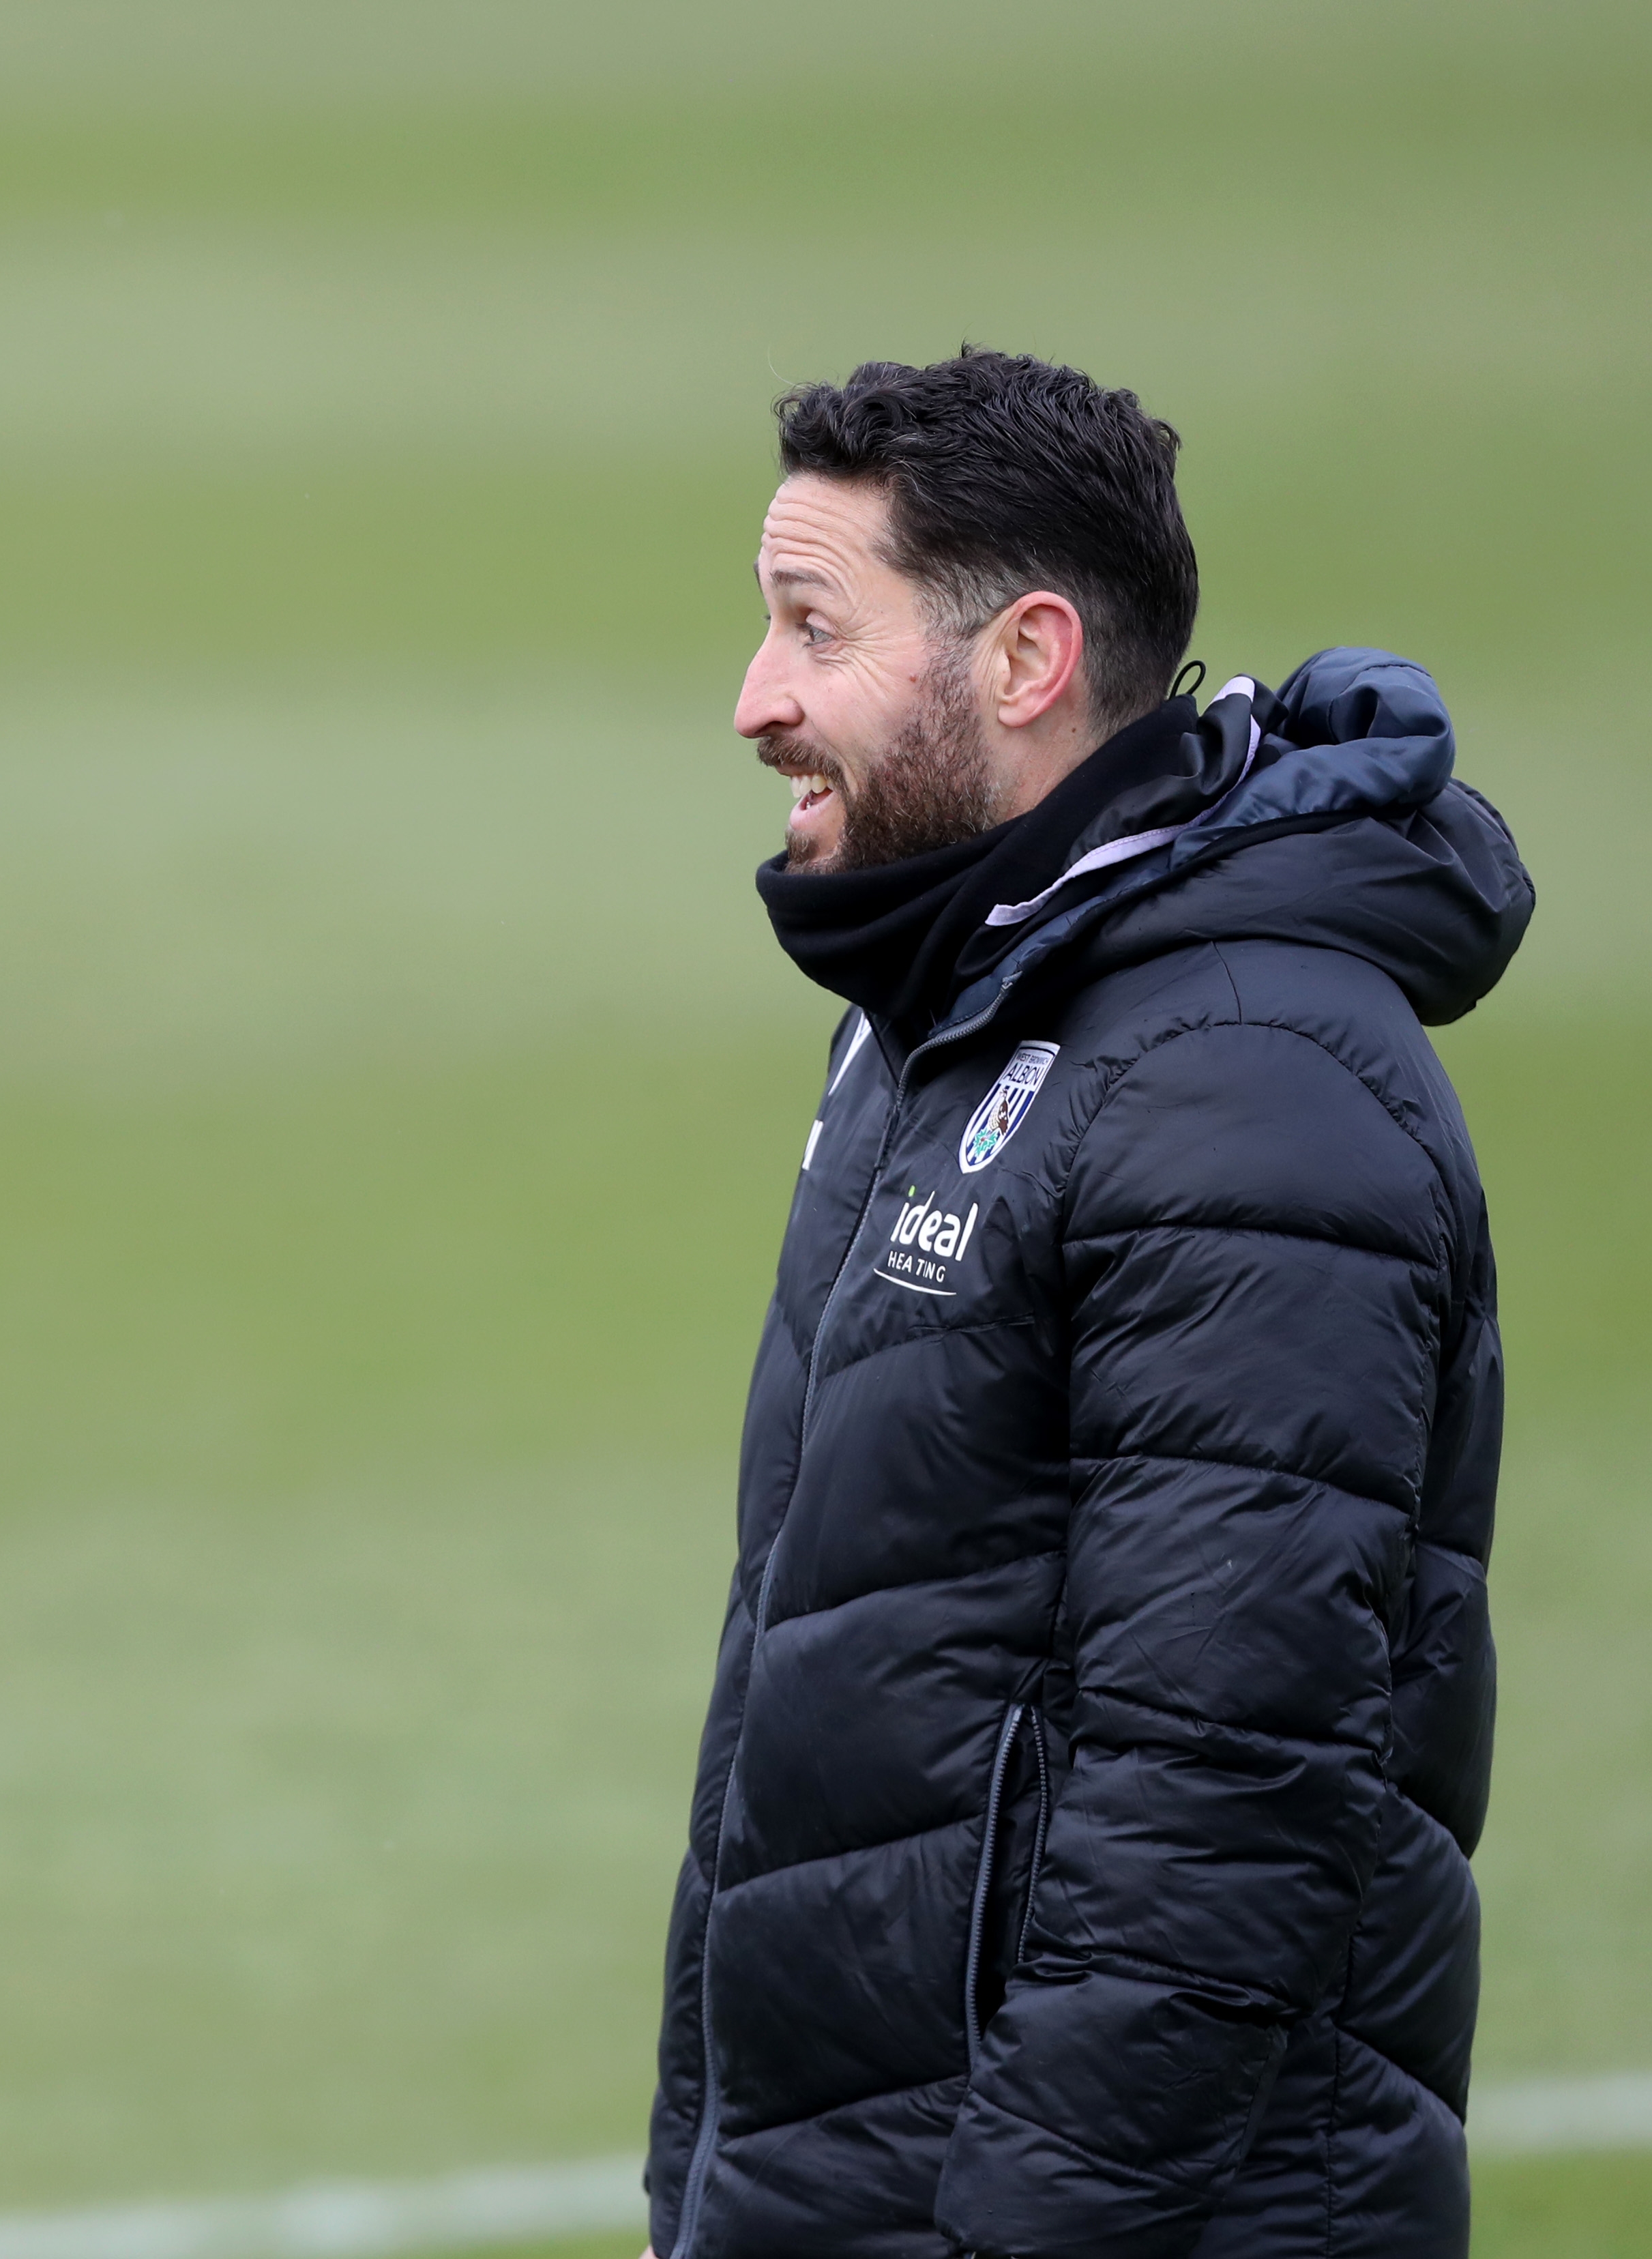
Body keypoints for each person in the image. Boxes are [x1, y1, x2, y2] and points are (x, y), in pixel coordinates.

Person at [639, 353, 1529, 2258]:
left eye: (816, 627)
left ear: (1027, 659)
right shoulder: (946, 1011)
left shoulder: (1250, 1082)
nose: (755, 701)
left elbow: (1224, 1811)